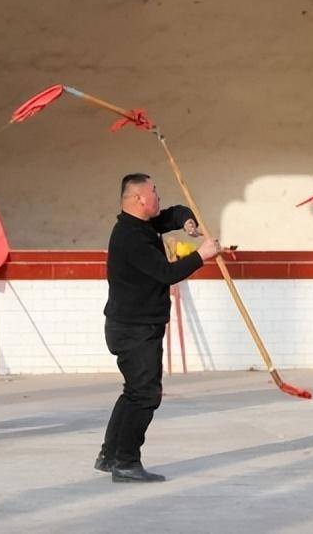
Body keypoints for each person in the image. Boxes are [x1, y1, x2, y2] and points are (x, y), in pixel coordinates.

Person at [95, 173, 219, 482]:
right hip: (133, 329)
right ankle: (126, 461)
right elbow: (165, 272)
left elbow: (175, 212)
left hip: (135, 326)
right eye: (153, 191)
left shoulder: (143, 224)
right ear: (138, 198)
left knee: (133, 392)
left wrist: (188, 222)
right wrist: (201, 256)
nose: (158, 196)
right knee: (146, 395)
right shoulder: (130, 236)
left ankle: (110, 455)